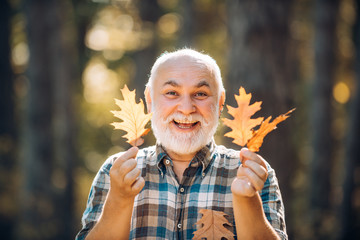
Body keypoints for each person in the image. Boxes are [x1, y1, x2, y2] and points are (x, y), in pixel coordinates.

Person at [76, 49, 287, 240]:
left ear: (220, 102)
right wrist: (120, 200)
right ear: (150, 99)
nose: (186, 108)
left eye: (201, 94)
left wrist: (247, 201)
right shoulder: (117, 173)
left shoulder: (251, 173)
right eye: (171, 93)